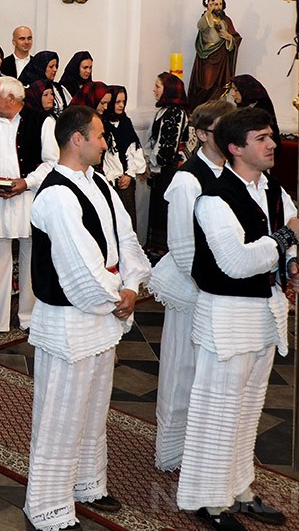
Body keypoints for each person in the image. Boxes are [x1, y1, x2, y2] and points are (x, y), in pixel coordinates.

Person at [177, 107, 299, 530]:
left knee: (248, 409)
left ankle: (239, 488)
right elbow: (236, 261)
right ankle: (208, 500)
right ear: (236, 148)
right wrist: (286, 237)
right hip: (227, 314)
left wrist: (296, 267)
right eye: (262, 138)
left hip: (264, 312)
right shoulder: (214, 198)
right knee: (217, 411)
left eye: (271, 136)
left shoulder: (273, 190)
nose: (273, 144)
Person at [24, 106, 151, 531]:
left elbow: (125, 238)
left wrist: (131, 284)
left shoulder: (98, 182)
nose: (105, 142)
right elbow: (79, 264)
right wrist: (117, 295)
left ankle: (87, 484)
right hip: (69, 317)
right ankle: (48, 507)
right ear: (76, 139)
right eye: (99, 135)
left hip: (102, 313)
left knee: (94, 408)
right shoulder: (56, 193)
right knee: (61, 414)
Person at [148, 100, 233, 473]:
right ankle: (173, 453)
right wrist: (211, 285)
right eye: (221, 130)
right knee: (182, 369)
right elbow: (182, 246)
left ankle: (206, 449)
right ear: (201, 133)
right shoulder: (188, 179)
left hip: (226, 288)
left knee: (215, 375)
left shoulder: (234, 172)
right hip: (192, 286)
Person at [0, 76, 58, 335]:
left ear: (12, 98)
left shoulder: (43, 122)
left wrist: (27, 182)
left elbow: (52, 161)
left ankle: (31, 318)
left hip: (30, 199)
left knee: (32, 260)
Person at [146, 72, 191, 258]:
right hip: (160, 169)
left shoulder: (176, 113)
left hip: (170, 168)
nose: (154, 90)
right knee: (158, 207)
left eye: (158, 86)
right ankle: (156, 247)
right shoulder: (163, 111)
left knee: (166, 208)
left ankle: (165, 249)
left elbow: (168, 146)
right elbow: (154, 140)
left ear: (169, 90)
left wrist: (154, 163)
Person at [188, 0, 241, 108]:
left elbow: (236, 37)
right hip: (207, 57)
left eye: (220, 4)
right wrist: (208, 11)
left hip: (222, 57)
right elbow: (200, 26)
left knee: (219, 85)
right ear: (210, 5)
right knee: (206, 85)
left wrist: (229, 38)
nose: (218, 7)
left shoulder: (226, 20)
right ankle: (201, 108)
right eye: (216, 4)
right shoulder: (206, 18)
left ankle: (215, 109)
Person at [101, 86, 146, 226]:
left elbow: (134, 149)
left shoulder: (126, 122)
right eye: (117, 102)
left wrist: (129, 174)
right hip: (108, 180)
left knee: (128, 222)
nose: (121, 105)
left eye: (123, 102)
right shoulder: (102, 123)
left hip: (125, 181)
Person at [230, 74, 281, 156]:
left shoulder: (261, 109)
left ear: (246, 90)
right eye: (232, 89)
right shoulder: (240, 108)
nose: (232, 94)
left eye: (236, 90)